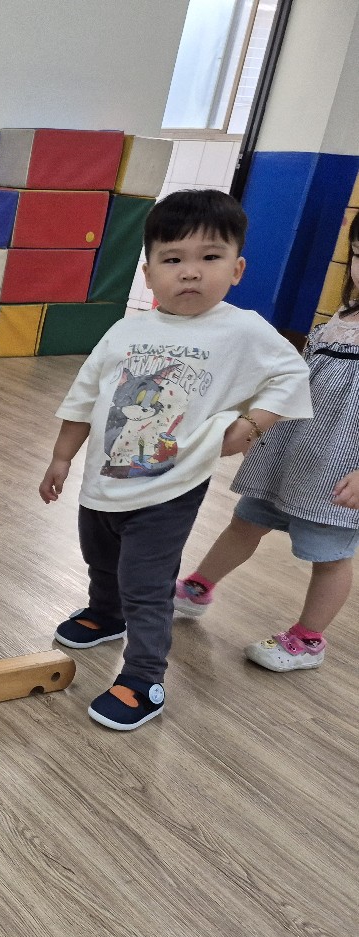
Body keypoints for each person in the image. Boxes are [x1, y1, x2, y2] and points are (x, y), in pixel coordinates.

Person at [39, 188, 312, 731]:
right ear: (148, 274)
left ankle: (144, 678)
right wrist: (62, 458)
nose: (190, 272)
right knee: (100, 556)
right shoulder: (126, 330)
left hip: (170, 488)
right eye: (172, 259)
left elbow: (292, 373)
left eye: (209, 257)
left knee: (146, 583)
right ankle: (106, 612)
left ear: (236, 269)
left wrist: (252, 425)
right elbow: (84, 397)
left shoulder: (242, 328)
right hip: (105, 478)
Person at [174, 211, 359, 671]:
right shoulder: (340, 320)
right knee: (245, 522)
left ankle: (308, 640)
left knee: (330, 556)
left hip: (340, 471)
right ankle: (197, 588)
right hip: (289, 452)